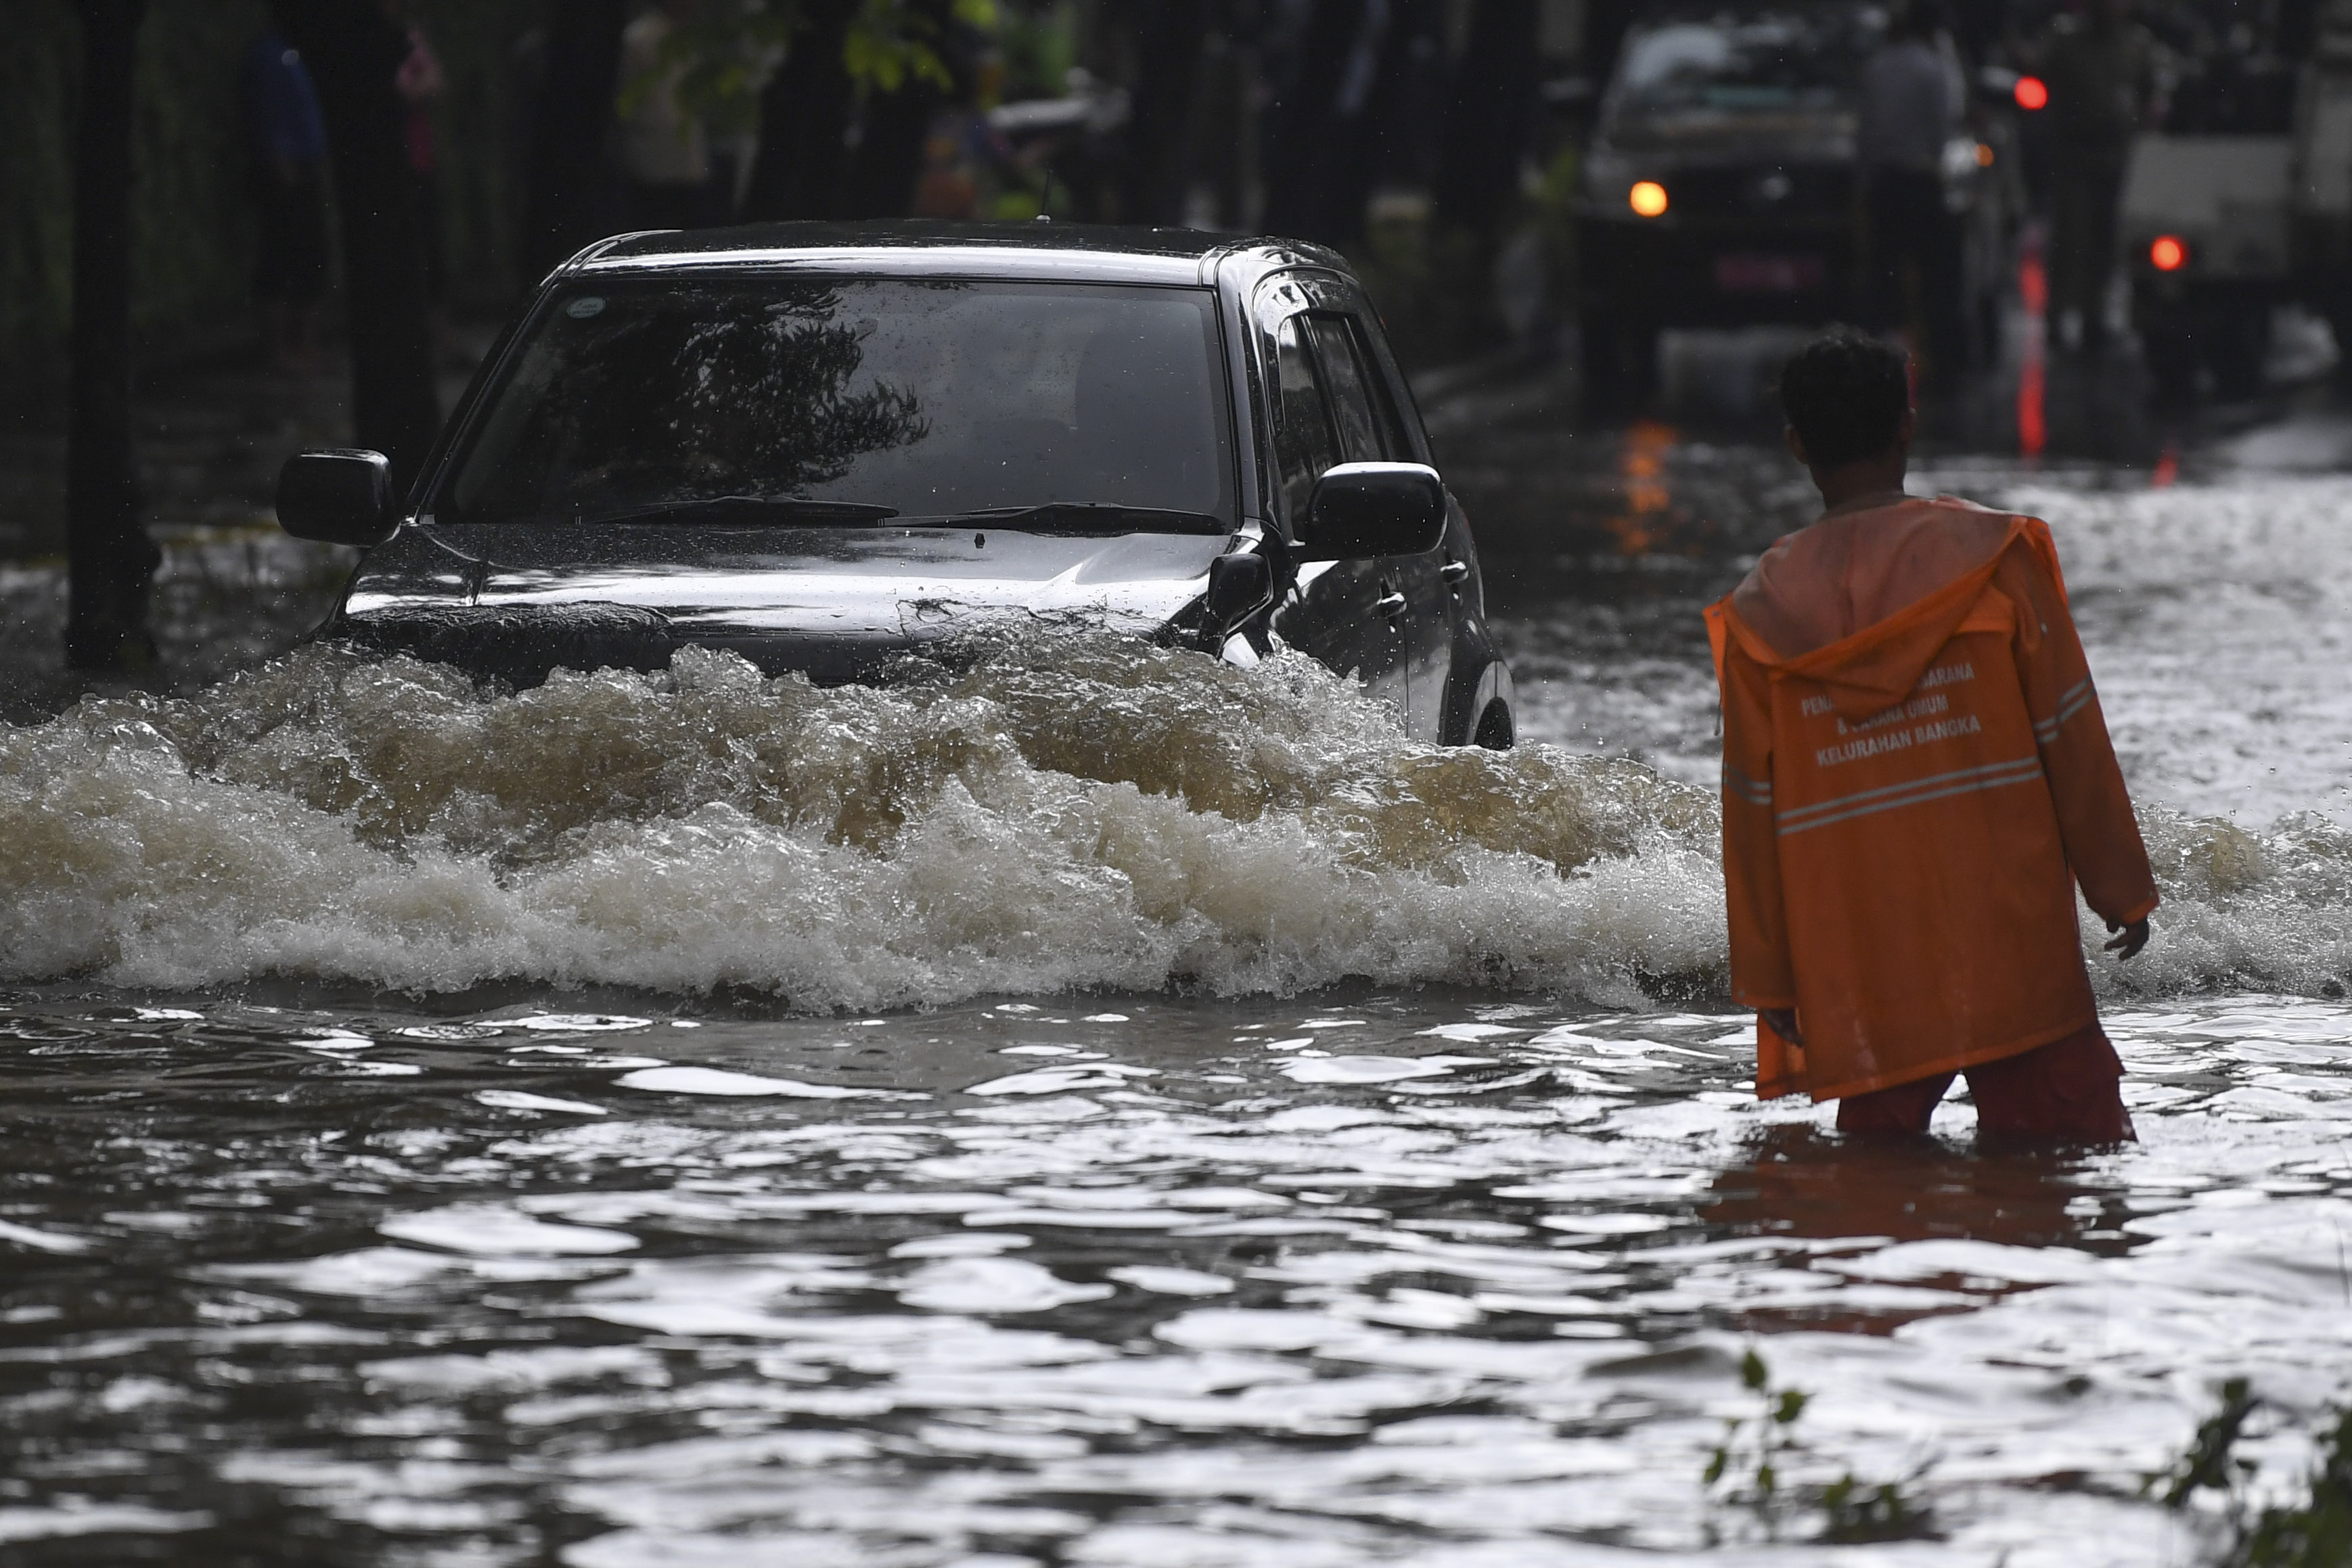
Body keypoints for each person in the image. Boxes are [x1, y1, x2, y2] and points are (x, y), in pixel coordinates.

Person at [1704, 331, 2158, 1143]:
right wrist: (2117, 886)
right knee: (2069, 1169)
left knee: (1876, 1198)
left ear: (1796, 445)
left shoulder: (1760, 614)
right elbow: (2069, 734)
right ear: (1906, 425)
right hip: (2009, 935)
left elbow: (1750, 804)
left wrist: (1772, 971)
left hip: (1864, 955)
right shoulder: (1994, 561)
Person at [2036, 0, 2159, 354]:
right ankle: (2057, 315)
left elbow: (2151, 90)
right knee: (2071, 235)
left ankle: (2094, 316)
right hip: (2074, 152)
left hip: (2117, 154)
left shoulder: (2137, 44)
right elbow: (2041, 83)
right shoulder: (2065, 40)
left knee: (2106, 240)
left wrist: (2144, 123)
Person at [1856, 3, 1966, 375]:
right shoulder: (1932, 69)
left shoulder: (1877, 67)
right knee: (1937, 274)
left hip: (1885, 182)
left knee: (1883, 271)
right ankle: (1943, 360)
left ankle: (1875, 354)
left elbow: (1866, 131)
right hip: (1922, 180)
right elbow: (1942, 130)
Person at [242, 30, 332, 372]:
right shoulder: (272, 55)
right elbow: (270, 113)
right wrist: (282, 162)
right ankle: (280, 350)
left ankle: (304, 346)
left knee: (309, 256)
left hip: (303, 167)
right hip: (285, 171)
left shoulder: (293, 55)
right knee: (281, 256)